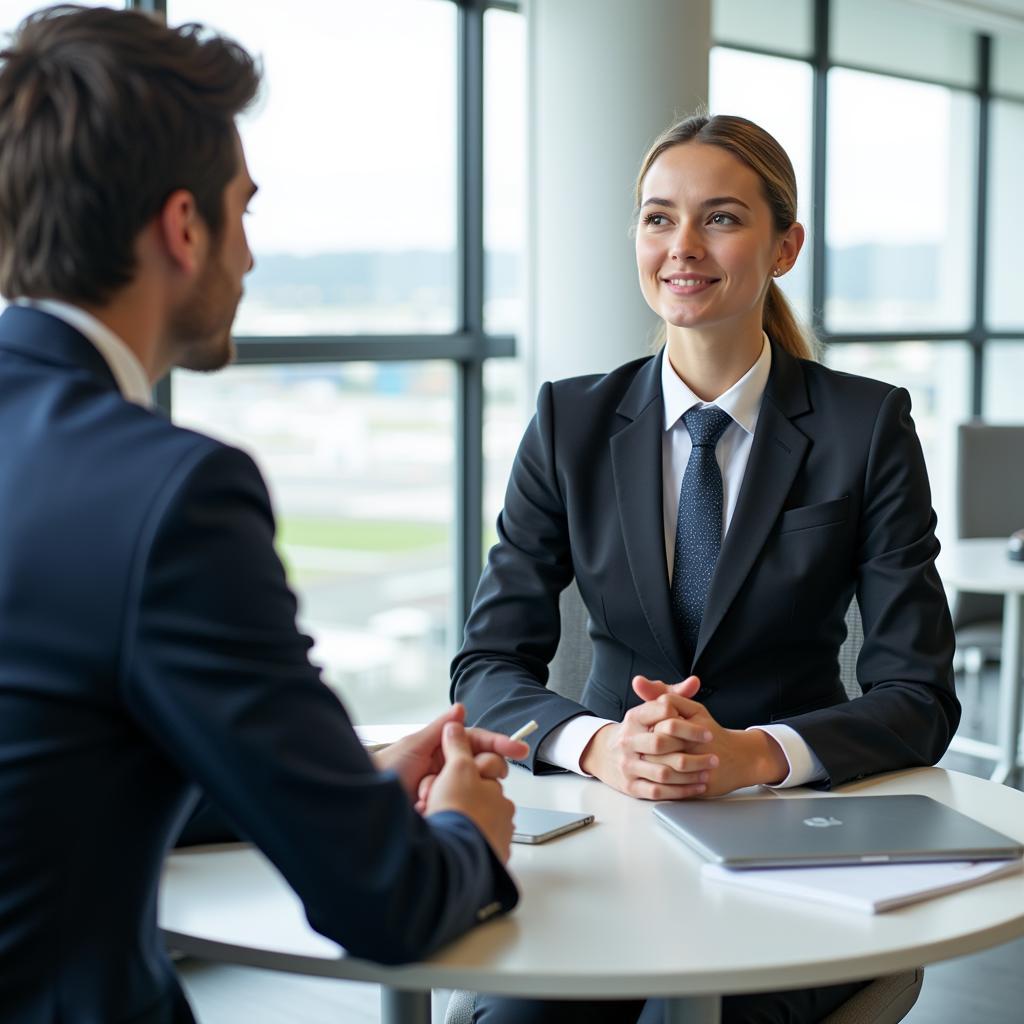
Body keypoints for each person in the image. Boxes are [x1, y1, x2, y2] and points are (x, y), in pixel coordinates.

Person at [0, 7, 529, 1023]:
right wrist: (467, 829)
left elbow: (52, 769)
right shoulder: (171, 495)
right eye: (243, 211)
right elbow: (388, 905)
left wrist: (344, 774)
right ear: (183, 227)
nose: (250, 255)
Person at [452, 113, 959, 1023]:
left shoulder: (864, 427)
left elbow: (917, 693)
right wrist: (605, 747)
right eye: (658, 218)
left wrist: (750, 755)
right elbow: (486, 668)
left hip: (795, 842)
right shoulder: (569, 423)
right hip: (605, 838)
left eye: (720, 218)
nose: (682, 247)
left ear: (785, 245)